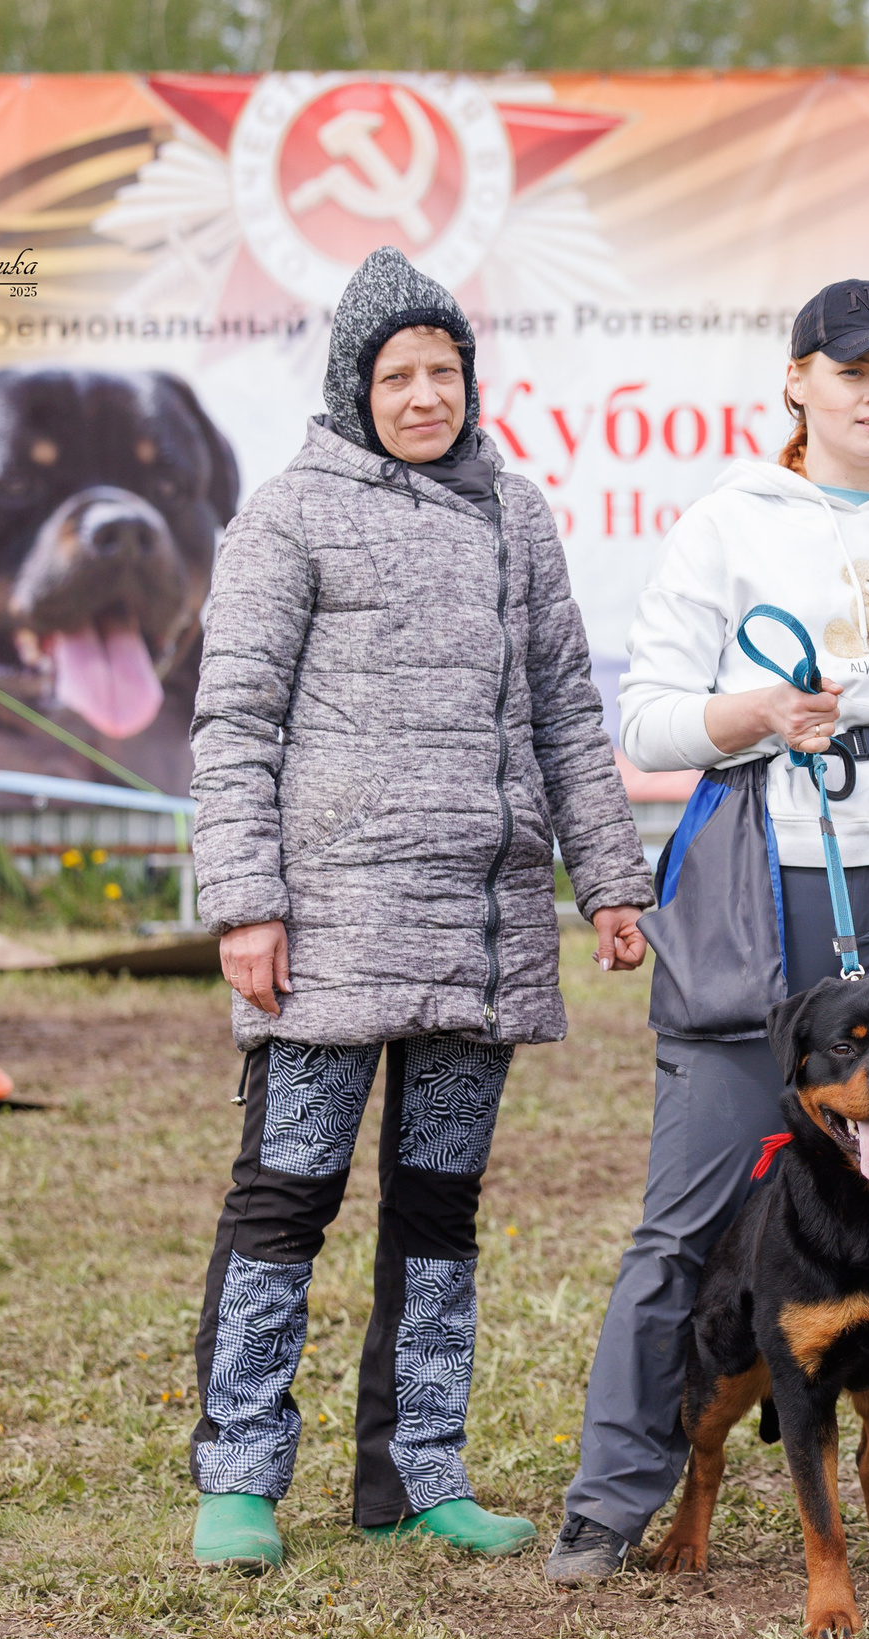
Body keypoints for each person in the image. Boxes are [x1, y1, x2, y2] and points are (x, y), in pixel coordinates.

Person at [546, 279, 869, 1591]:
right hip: (759, 889)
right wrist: (759, 711)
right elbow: (649, 724)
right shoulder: (727, 526)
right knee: (694, 1203)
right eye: (851, 369)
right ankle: (613, 1496)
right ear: (797, 380)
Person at [184, 246, 653, 1571]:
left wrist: (610, 881)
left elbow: (568, 712)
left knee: (439, 1207)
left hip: (480, 929)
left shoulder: (517, 514)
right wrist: (245, 907)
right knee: (286, 1197)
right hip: (322, 930)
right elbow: (235, 725)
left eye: (444, 371)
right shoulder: (287, 517)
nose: (426, 394)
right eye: (399, 374)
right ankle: (238, 1479)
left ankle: (415, 1471)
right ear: (356, 388)